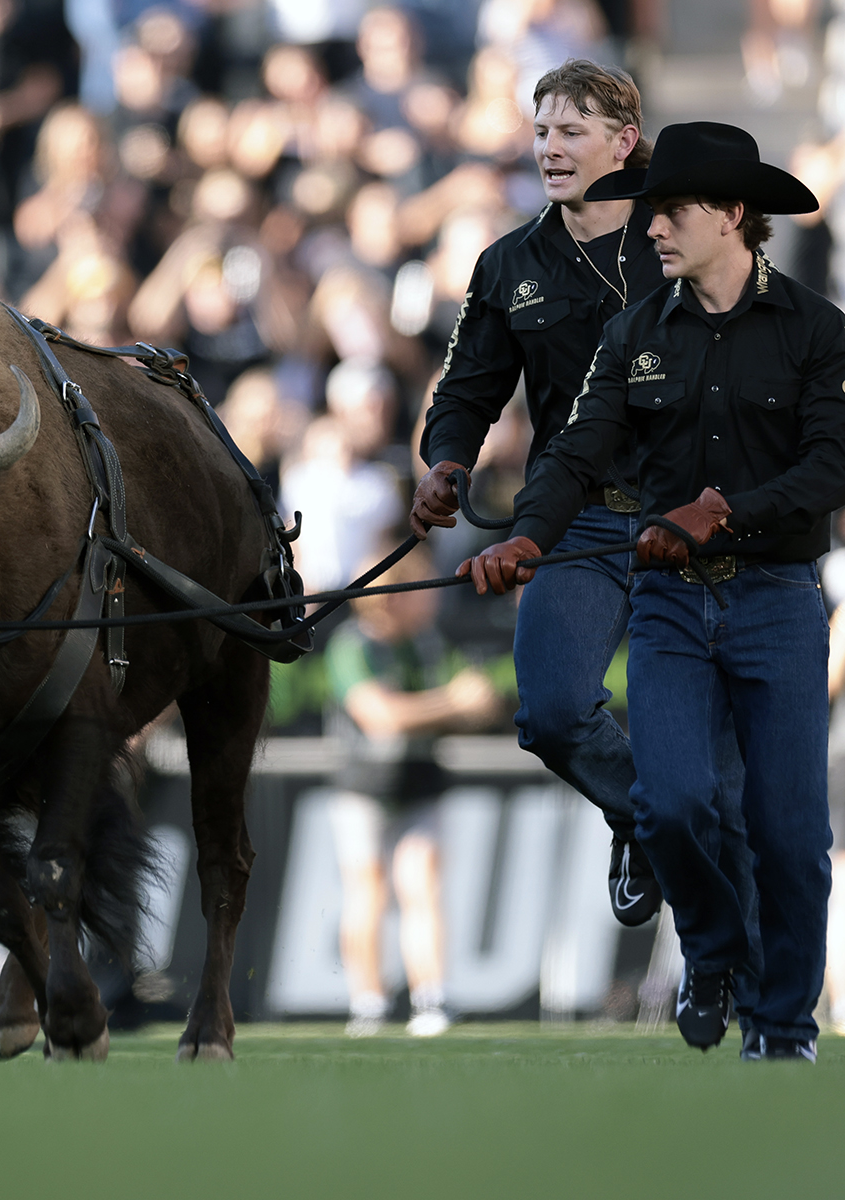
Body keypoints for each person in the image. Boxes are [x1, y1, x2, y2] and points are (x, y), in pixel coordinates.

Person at [463, 122, 837, 1061]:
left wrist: (725, 511)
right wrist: (525, 538)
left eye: (670, 210)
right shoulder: (634, 332)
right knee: (673, 805)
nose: (653, 227)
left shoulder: (818, 330)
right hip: (670, 605)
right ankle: (711, 952)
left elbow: (834, 467)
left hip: (778, 602)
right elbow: (575, 450)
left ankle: (783, 1029)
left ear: (732, 216)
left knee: (789, 834)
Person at [411, 61, 758, 951]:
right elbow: (466, 389)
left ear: (623, 142)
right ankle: (643, 820)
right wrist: (446, 461)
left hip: (692, 518)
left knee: (715, 770)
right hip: (577, 519)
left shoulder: (685, 235)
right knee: (552, 712)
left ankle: (730, 965)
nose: (550, 149)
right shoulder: (508, 264)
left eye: (571, 131)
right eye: (540, 132)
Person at [324, 545, 502, 1038]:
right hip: (363, 790)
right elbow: (381, 716)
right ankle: (369, 1004)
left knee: (422, 886)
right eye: (420, 589)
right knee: (368, 892)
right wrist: (452, 702)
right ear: (391, 598)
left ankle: (431, 999)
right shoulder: (352, 646)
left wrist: (469, 701)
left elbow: (479, 699)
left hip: (422, 782)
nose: (433, 598)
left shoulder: (430, 642)